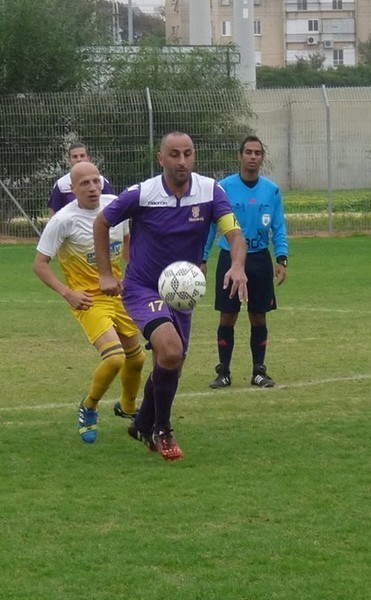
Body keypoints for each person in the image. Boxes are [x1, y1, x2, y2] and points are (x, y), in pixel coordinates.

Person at [93, 131, 248, 461]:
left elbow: (234, 233)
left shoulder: (210, 191)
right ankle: (161, 430)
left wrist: (237, 265)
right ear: (161, 159)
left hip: (182, 292)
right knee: (171, 349)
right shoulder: (142, 194)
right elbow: (102, 222)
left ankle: (142, 423)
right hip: (143, 287)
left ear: (194, 156)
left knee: (171, 363)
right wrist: (105, 273)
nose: (182, 161)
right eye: (174, 155)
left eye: (188, 154)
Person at [33, 161, 146, 444]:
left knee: (137, 358)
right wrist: (67, 293)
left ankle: (128, 406)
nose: (93, 187)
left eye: (96, 181)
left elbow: (128, 242)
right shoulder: (63, 220)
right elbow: (40, 264)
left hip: (118, 294)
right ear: (72, 189)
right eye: (85, 183)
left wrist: (132, 277)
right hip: (88, 300)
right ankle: (89, 405)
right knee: (115, 357)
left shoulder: (115, 207)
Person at [202, 136, 288, 389]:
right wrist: (202, 257)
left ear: (262, 158)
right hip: (229, 258)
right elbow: (210, 226)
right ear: (239, 156)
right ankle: (224, 372)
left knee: (258, 317)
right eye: (248, 152)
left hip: (260, 259)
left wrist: (281, 257)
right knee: (227, 316)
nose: (253, 157)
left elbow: (279, 226)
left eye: (257, 153)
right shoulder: (223, 188)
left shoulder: (271, 190)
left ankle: (259, 371)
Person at [48, 143, 115, 216]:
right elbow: (54, 212)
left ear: (88, 158)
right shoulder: (61, 184)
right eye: (75, 157)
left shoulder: (101, 181)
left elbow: (112, 205)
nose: (79, 159)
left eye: (82, 156)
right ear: (69, 160)